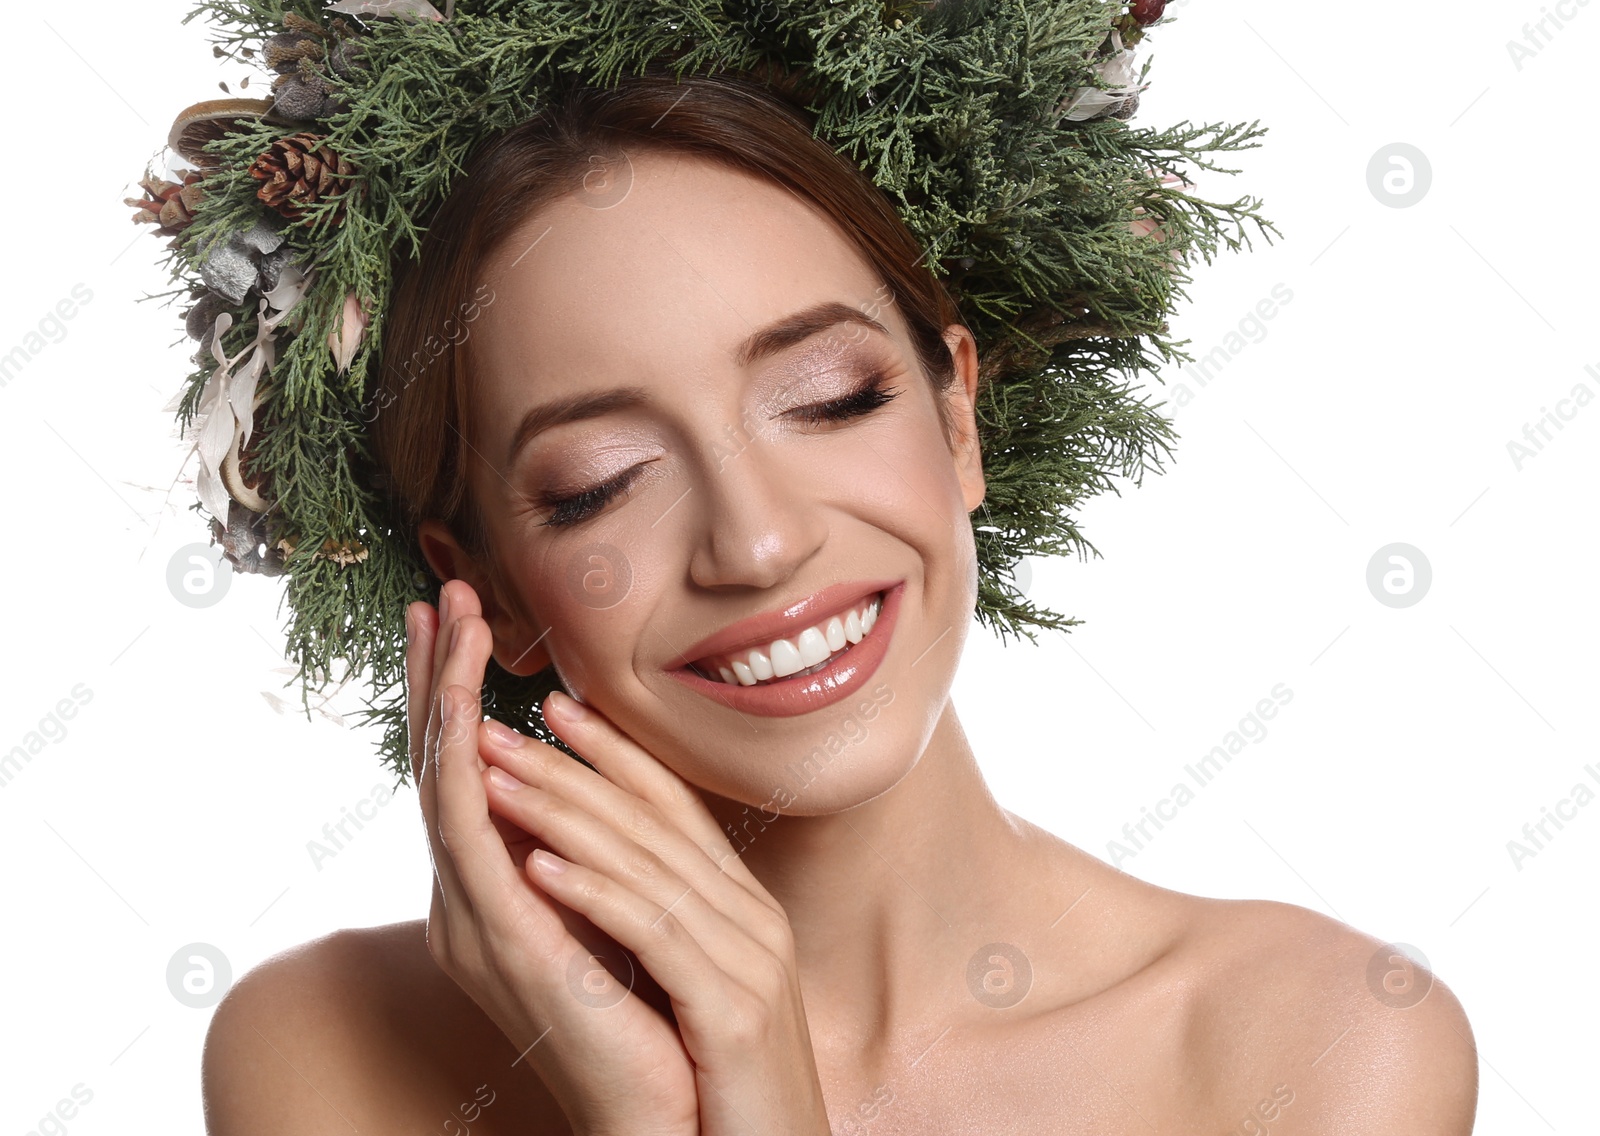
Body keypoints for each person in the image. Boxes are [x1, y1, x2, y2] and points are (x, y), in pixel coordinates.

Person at [198, 75, 1478, 1133]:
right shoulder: (331, 1058)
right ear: (487, 592)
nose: (756, 541)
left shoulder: (1315, 1049)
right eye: (598, 485)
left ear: (957, 412)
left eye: (828, 397)